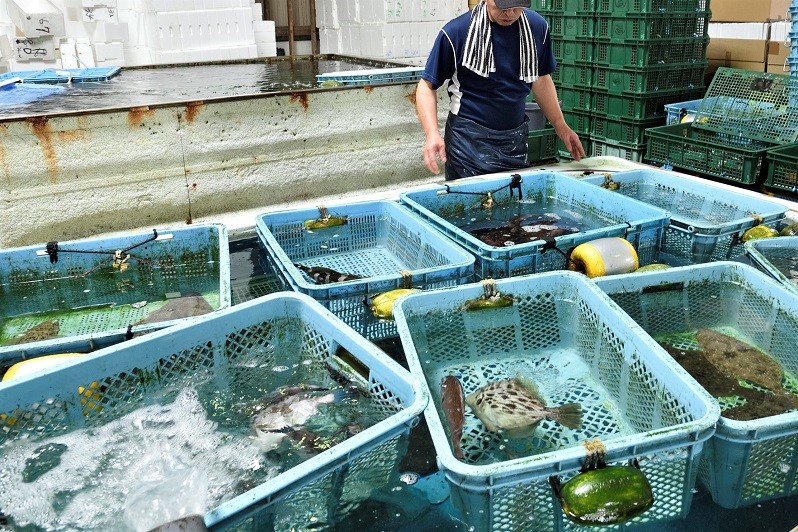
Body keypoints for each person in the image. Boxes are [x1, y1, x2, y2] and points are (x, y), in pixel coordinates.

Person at [415, 0, 584, 180]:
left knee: (514, 201)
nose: (510, 13)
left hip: (515, 139)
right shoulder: (456, 32)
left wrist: (561, 125)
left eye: (517, 6)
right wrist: (432, 133)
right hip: (468, 143)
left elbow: (540, 78)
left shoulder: (537, 27)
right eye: (503, 6)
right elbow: (426, 86)